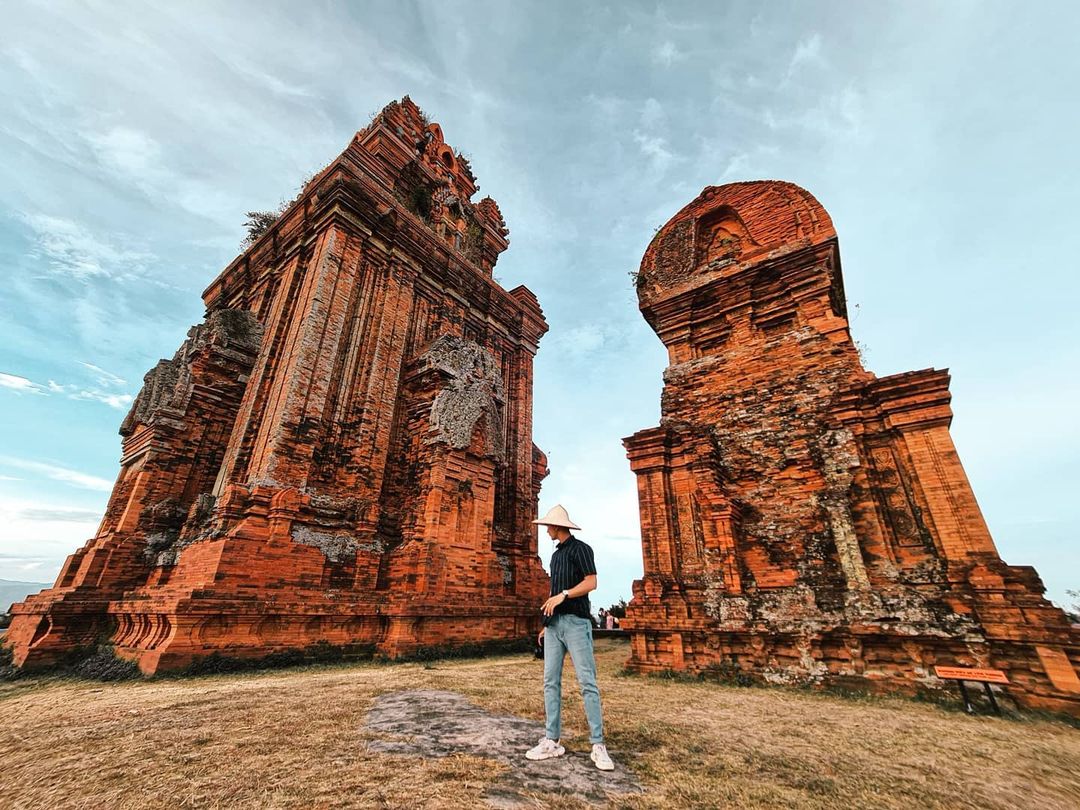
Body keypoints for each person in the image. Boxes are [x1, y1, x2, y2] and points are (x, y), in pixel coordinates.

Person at [524, 504, 614, 771]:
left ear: (557, 526)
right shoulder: (555, 556)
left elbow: (591, 582)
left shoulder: (581, 549)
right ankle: (552, 740)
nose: (546, 531)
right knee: (550, 682)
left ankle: (598, 744)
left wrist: (564, 595)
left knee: (587, 682)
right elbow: (553, 592)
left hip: (576, 622)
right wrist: (546, 625)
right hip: (554, 626)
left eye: (548, 526)